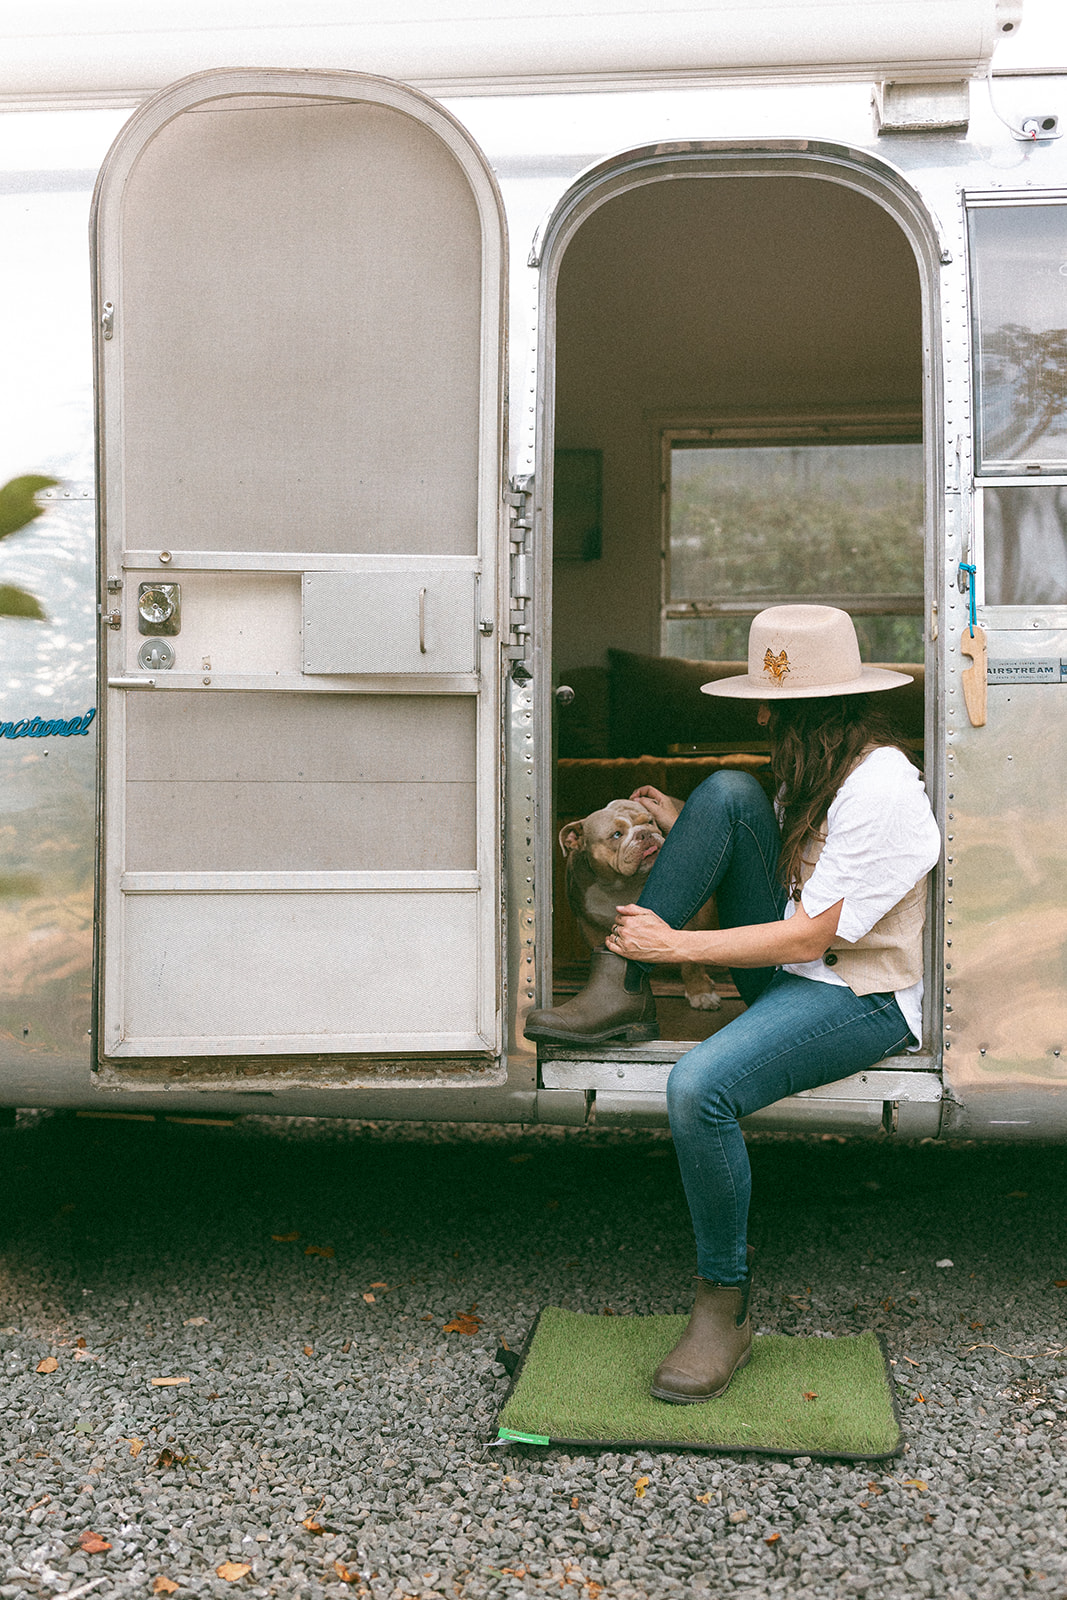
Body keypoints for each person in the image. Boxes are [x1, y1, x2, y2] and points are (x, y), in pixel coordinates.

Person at [525, 605, 941, 1403]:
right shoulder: (816, 769)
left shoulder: (881, 784)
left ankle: (723, 1303)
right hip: (795, 969)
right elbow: (785, 882)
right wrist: (698, 834)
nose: (758, 715)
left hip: (861, 991)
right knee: (722, 790)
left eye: (771, 705)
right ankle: (618, 992)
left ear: (816, 709)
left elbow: (808, 939)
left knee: (698, 1087)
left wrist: (675, 948)